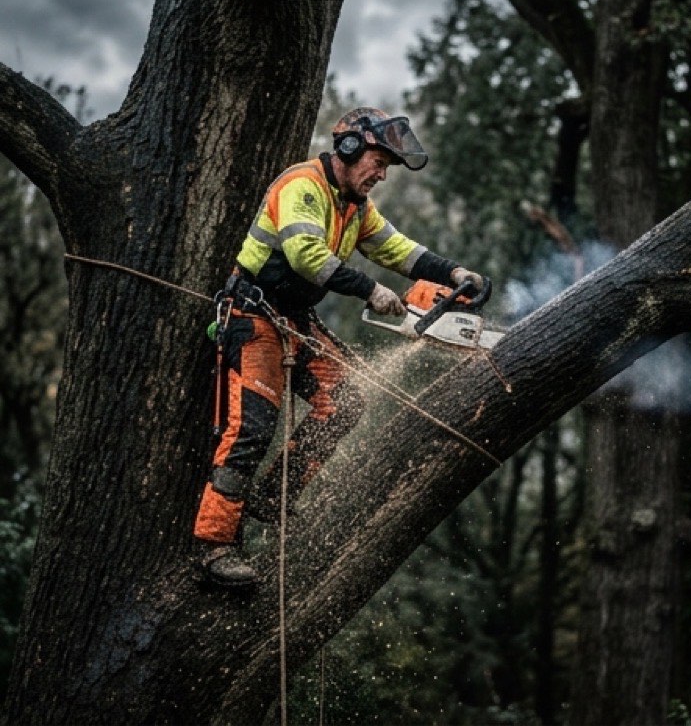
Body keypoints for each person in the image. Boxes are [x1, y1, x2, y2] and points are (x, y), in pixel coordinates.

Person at [194, 107, 483, 587]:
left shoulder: (356, 207)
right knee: (251, 430)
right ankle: (213, 546)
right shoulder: (301, 186)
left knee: (348, 398)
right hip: (253, 316)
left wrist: (454, 274)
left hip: (294, 320)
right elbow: (306, 256)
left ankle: (273, 496)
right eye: (378, 160)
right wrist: (370, 290)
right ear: (349, 148)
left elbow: (399, 249)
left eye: (389, 165)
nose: (382, 173)